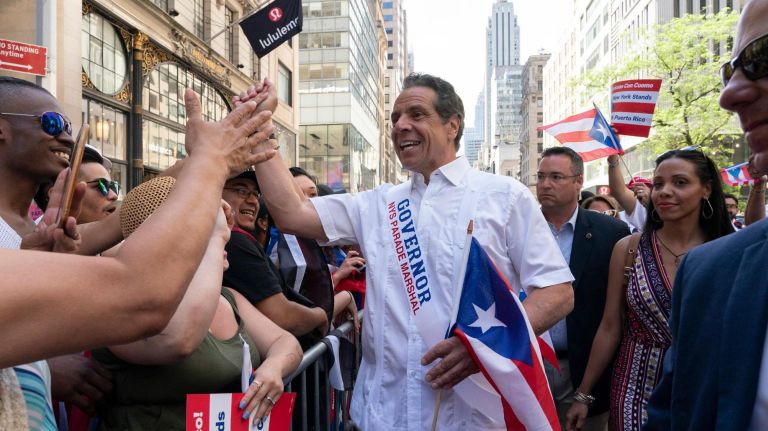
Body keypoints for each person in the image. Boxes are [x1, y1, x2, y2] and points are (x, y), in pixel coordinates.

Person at [240, 73, 574, 429]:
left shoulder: (504, 197)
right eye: (395, 118)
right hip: (382, 416)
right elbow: (291, 213)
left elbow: (557, 292)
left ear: (452, 125)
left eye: (416, 114)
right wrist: (261, 126)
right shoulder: (377, 204)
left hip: (470, 418)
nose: (401, 126)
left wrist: (484, 347)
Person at [644, 1, 768, 428]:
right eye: (729, 72)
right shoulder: (711, 270)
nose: (730, 95)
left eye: (762, 57)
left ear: (707, 190)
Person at [94, 183, 301, 431]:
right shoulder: (121, 302)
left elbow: (286, 341)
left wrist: (274, 367)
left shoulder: (227, 297)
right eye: (206, 226)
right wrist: (212, 240)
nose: (226, 236)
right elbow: (177, 341)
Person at [567, 149, 733, 431]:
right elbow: (610, 327)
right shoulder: (629, 249)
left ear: (706, 189)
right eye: (658, 184)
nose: (665, 192)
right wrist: (583, 394)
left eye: (680, 182)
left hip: (704, 386)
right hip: (633, 388)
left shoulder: (728, 252)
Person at [536, 147, 630, 430]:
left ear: (579, 181)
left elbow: (617, 313)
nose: (545, 184)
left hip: (584, 371)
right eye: (540, 177)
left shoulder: (611, 234)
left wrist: (587, 392)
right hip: (528, 364)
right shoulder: (515, 226)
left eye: (556, 177)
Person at [608, 154, 650, 232]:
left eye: (647, 187)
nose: (642, 193)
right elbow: (619, 191)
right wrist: (613, 158)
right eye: (636, 190)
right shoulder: (643, 207)